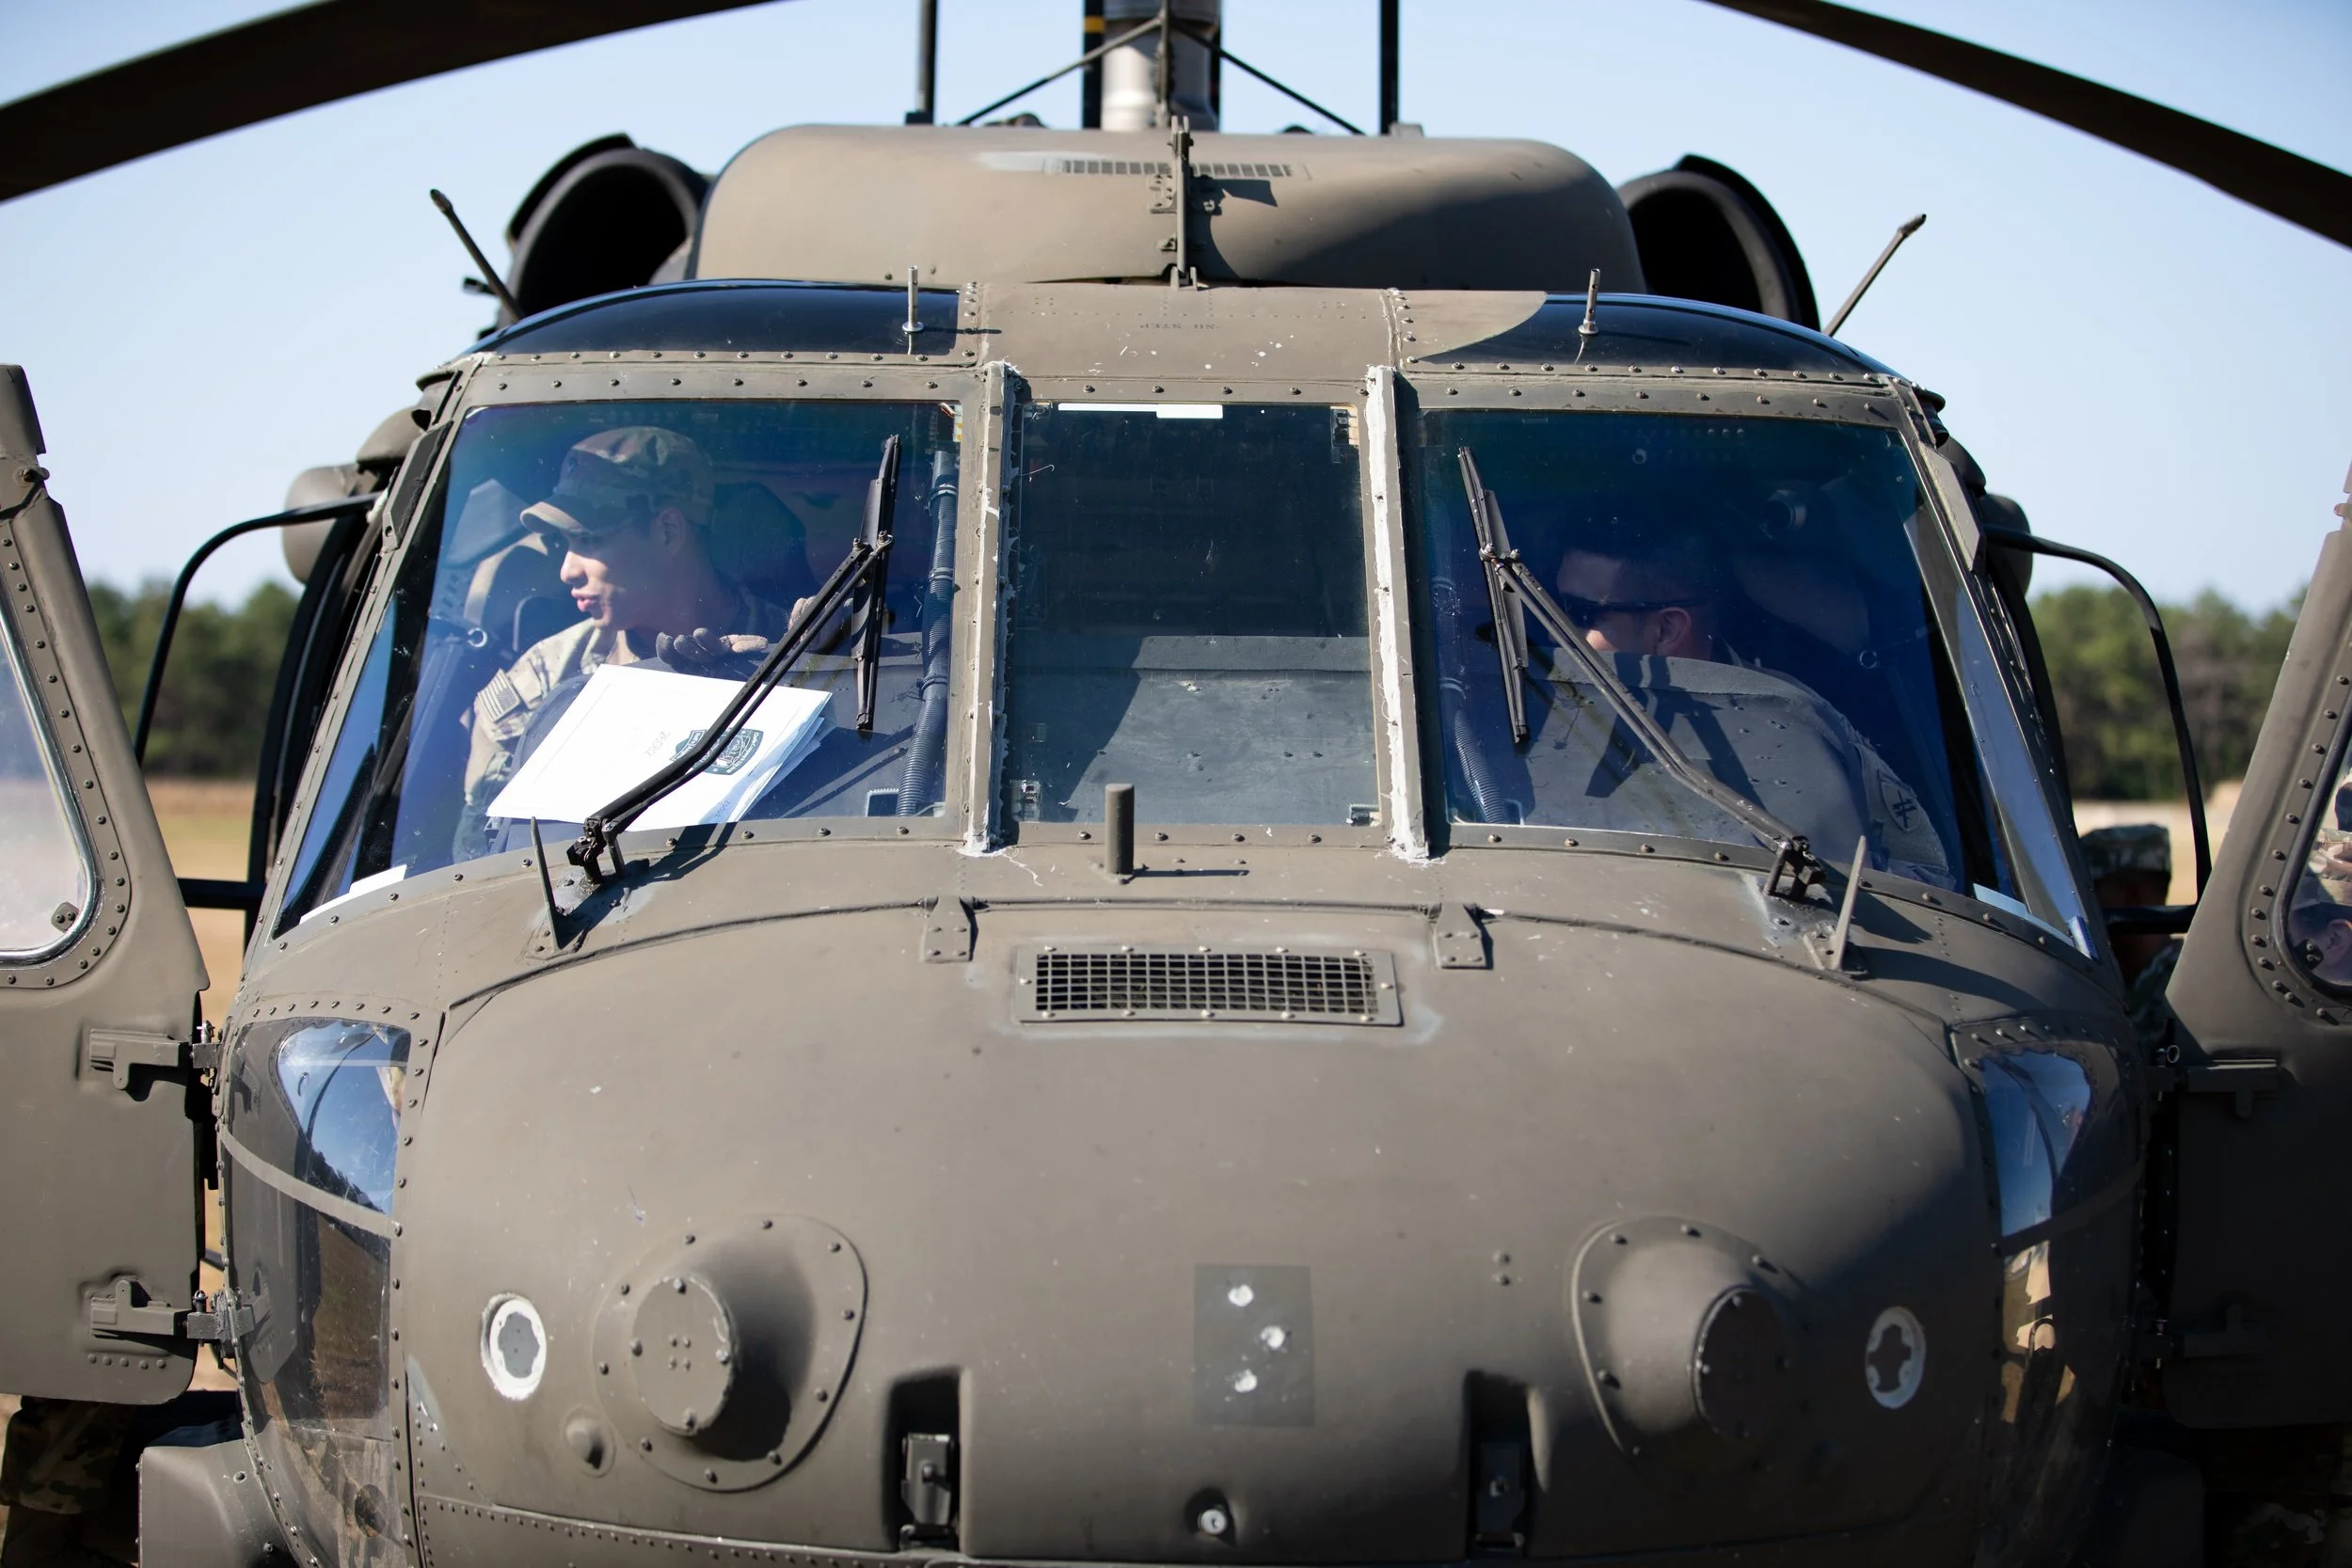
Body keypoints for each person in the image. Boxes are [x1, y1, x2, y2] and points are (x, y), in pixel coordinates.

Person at [1547, 524, 1950, 885]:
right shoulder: (1528, 702)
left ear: (1667, 628)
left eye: (1579, 613)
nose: (1553, 630)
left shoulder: (1802, 723)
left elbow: (1922, 880)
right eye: (1549, 604)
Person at [456, 426, 792, 852]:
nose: (567, 571)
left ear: (668, 530)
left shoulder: (798, 648)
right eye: (565, 543)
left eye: (589, 540)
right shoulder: (546, 678)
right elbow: (479, 853)